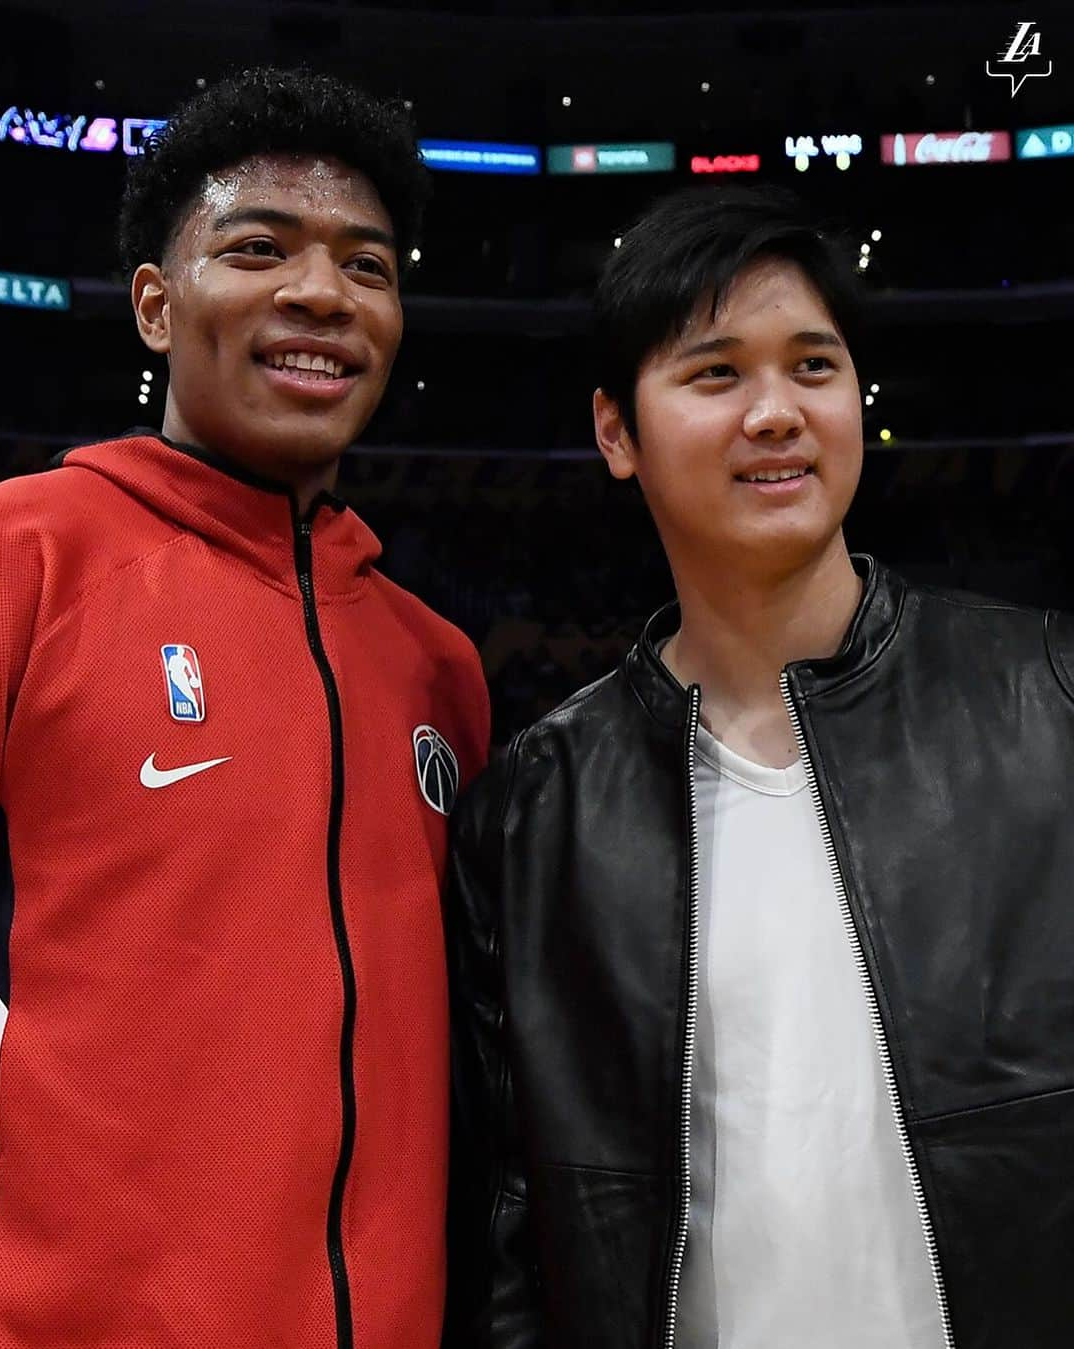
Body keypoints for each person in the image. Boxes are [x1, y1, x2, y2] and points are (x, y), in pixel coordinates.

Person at [446, 183, 1074, 1349]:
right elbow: (509, 1240)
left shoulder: (1049, 698)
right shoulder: (533, 817)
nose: (777, 412)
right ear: (615, 432)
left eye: (814, 366)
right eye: (718, 372)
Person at [0, 67, 489, 1349]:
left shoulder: (438, 666)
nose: (319, 292)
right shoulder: (26, 553)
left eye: (365, 266)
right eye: (258, 248)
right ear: (157, 306)